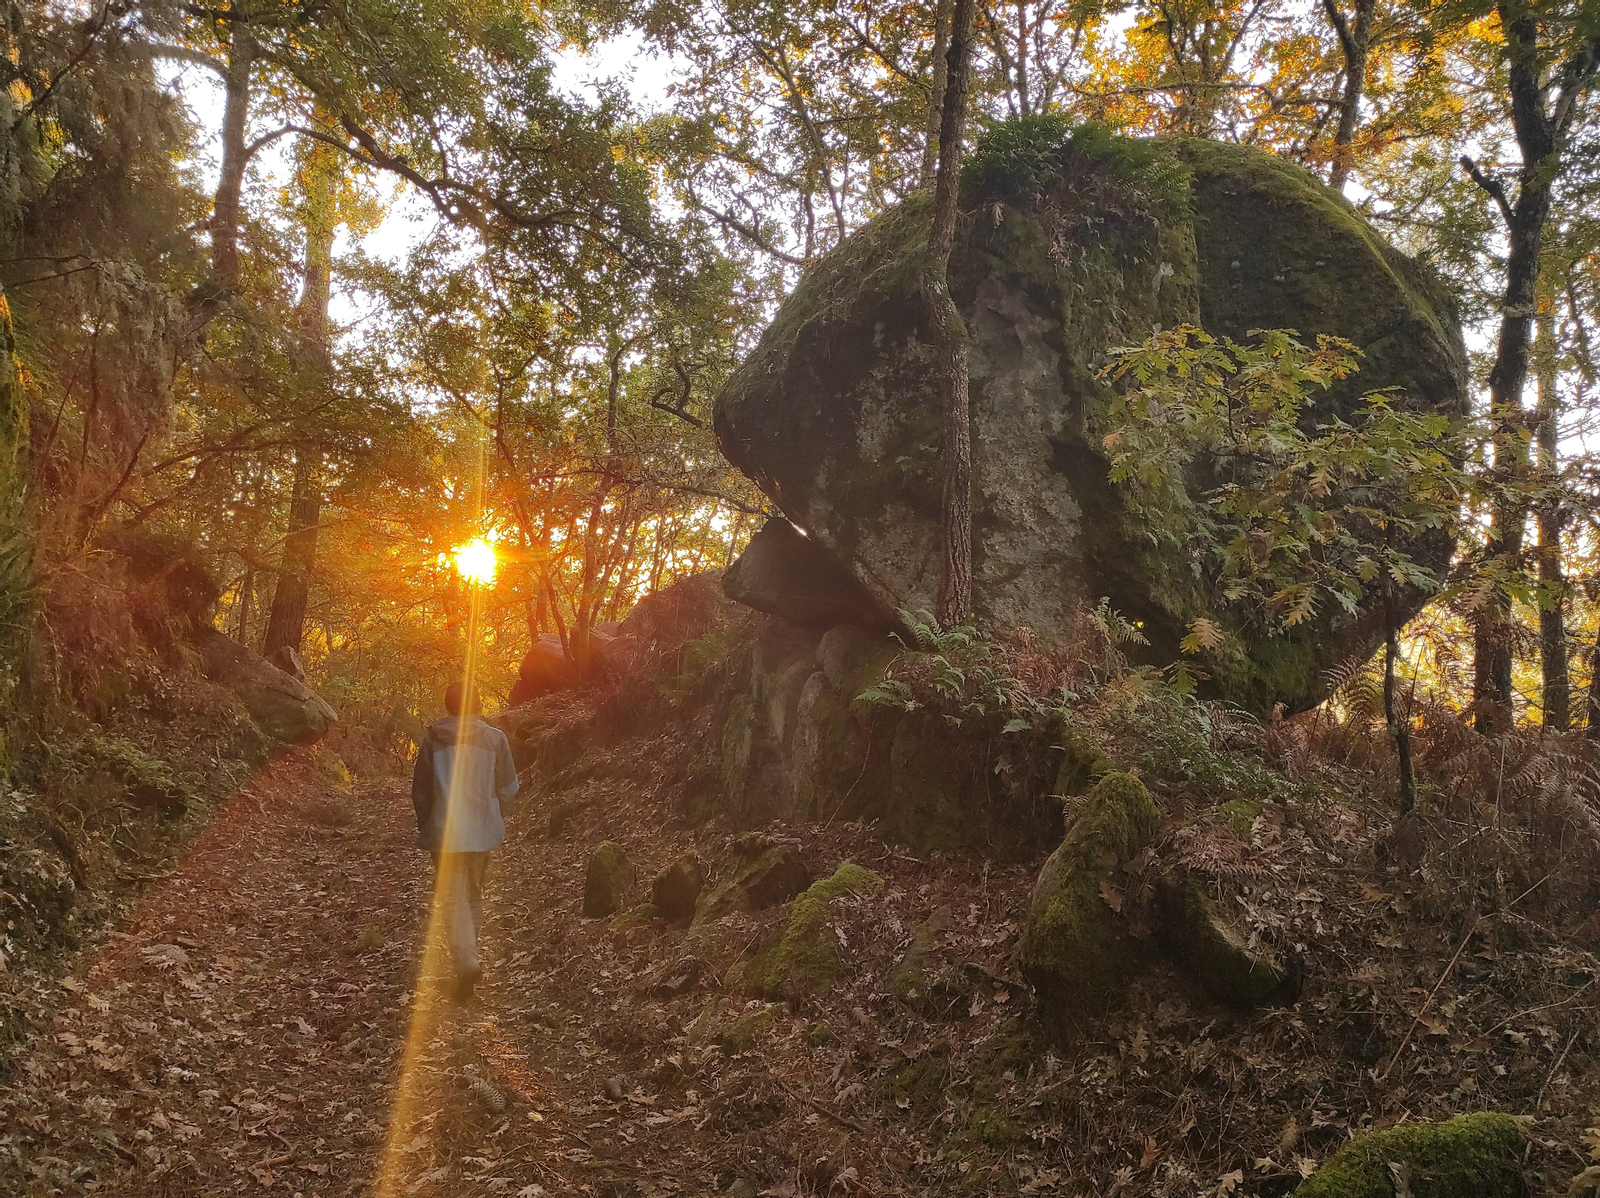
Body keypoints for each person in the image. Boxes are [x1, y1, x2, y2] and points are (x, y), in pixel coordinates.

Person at [410, 680, 519, 998]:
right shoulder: (496, 738)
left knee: (453, 897)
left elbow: (421, 791)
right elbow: (509, 789)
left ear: (448, 705)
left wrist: (427, 824)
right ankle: (468, 958)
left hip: (445, 831)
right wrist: (496, 814)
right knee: (473, 892)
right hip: (483, 831)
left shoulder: (434, 739)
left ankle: (466, 961)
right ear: (477, 704)